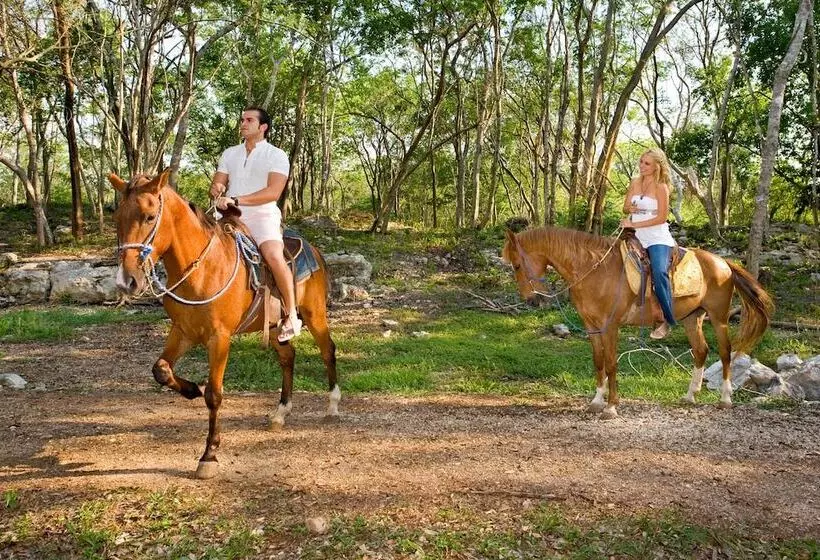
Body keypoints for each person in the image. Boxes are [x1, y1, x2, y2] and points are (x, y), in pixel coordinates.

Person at [210, 106, 301, 342]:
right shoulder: (229, 153)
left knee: (273, 254)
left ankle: (292, 315)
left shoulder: (276, 155)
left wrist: (238, 198)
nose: (243, 123)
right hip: (230, 217)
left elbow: (273, 192)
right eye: (242, 119)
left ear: (263, 127)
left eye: (249, 120)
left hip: (262, 216)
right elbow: (218, 183)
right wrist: (217, 189)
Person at [620, 148, 677, 340]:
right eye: (641, 162)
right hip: (634, 235)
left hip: (656, 237)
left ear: (656, 167)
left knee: (659, 272)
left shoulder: (662, 187)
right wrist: (631, 208)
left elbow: (662, 218)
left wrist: (634, 223)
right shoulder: (635, 182)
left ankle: (667, 320)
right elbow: (626, 206)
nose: (642, 166)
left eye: (647, 164)